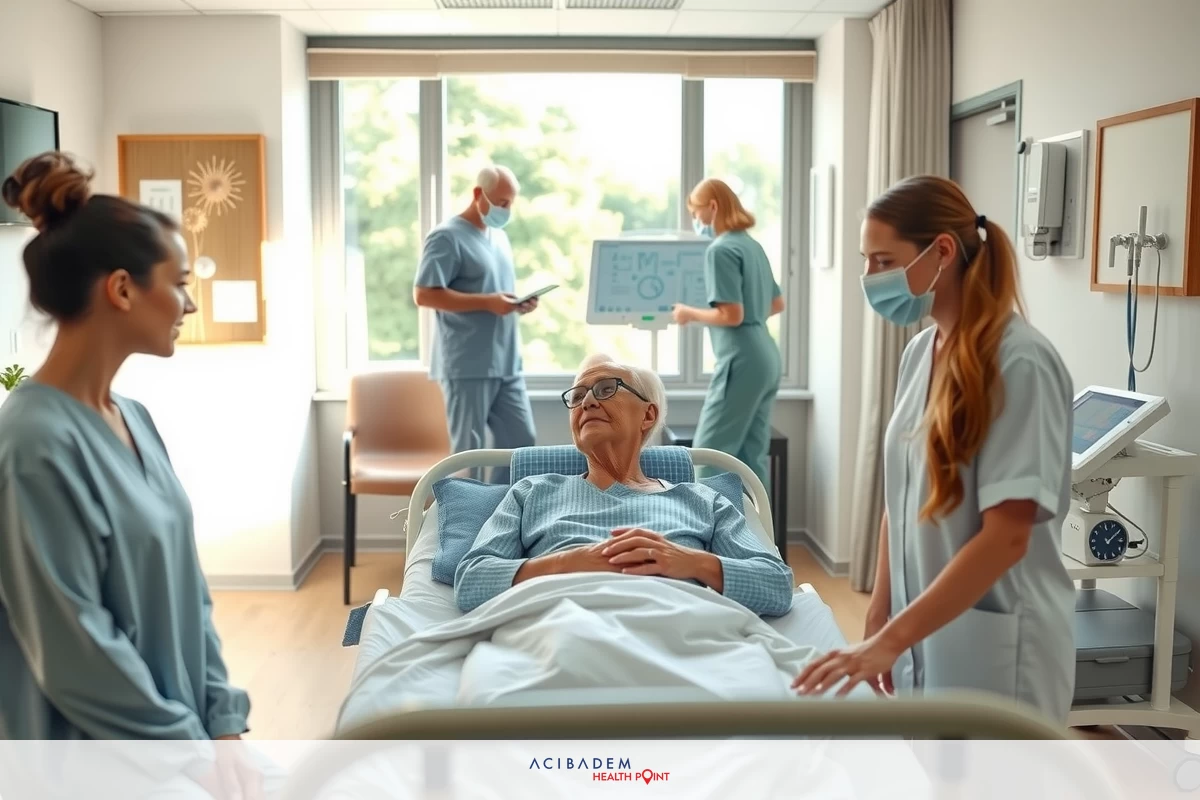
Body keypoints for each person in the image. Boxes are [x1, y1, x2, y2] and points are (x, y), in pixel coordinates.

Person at [792, 175, 1076, 725]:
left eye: (882, 260)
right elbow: (898, 499)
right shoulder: (921, 352)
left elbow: (1008, 535)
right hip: (926, 630)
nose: (870, 278)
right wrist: (880, 610)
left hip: (998, 646)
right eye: (867, 262)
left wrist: (894, 638)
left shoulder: (1019, 363)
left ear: (941, 251)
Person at [0, 152, 253, 743]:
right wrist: (192, 752)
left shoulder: (134, 419)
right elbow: (75, 651)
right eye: (181, 285)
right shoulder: (33, 445)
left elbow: (190, 593)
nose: (189, 305)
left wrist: (223, 725)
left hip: (181, 738)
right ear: (121, 289)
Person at [454, 354, 794, 617]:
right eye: (578, 395)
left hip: (679, 635)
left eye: (606, 389)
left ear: (647, 415)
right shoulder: (532, 493)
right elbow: (470, 581)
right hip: (558, 632)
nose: (587, 402)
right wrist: (567, 563)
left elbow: (777, 585)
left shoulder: (703, 500)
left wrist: (688, 561)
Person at [414, 164, 538, 484]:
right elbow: (424, 294)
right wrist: (487, 302)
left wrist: (516, 305)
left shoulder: (500, 238)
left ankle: (502, 516)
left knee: (521, 443)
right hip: (468, 365)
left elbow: (497, 296)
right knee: (468, 456)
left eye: (510, 203)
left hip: (507, 363)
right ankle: (466, 528)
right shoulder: (446, 237)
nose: (506, 210)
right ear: (477, 194)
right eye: (501, 202)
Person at [671, 178, 784, 487]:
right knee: (751, 459)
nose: (696, 221)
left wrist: (688, 313)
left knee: (708, 456)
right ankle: (757, 535)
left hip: (742, 359)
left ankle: (700, 534)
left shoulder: (720, 250)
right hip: (767, 357)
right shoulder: (752, 245)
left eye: (696, 213)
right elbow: (777, 303)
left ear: (713, 207)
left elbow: (731, 315)